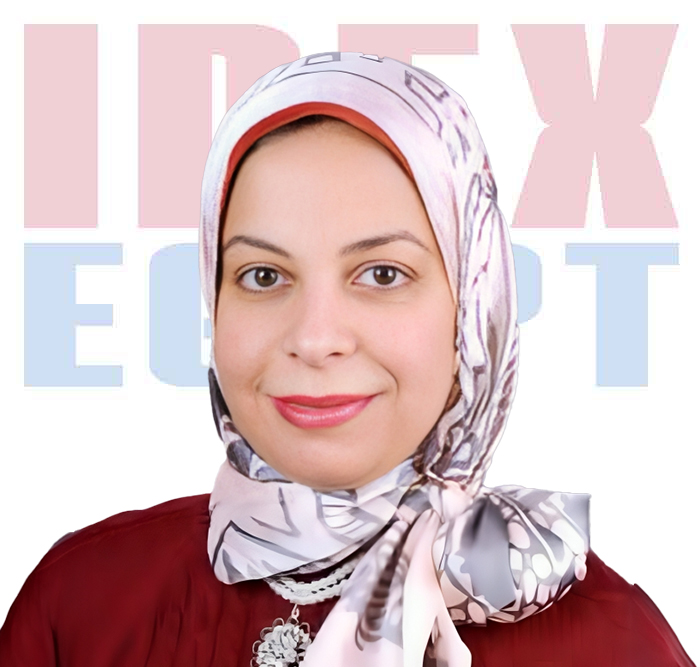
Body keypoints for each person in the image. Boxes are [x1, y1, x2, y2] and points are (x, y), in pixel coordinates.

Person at [0, 51, 694, 667]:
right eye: (263, 276)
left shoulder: (607, 643)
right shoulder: (82, 604)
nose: (314, 337)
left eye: (383, 274)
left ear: (475, 311)